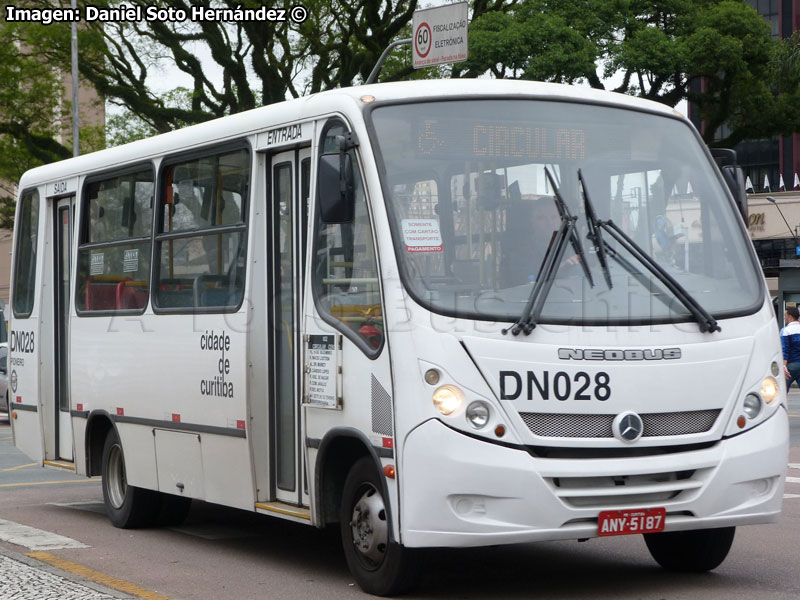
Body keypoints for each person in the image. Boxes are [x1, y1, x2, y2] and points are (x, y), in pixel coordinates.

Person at [502, 197, 579, 287]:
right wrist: (560, 268)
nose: (549, 222)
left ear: (561, 220)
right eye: (541, 218)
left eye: (554, 217)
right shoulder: (520, 254)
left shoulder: (573, 247)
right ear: (531, 221)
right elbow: (526, 280)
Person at [781, 306, 800, 388]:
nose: (784, 318)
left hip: (790, 365)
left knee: (782, 391)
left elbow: (785, 349)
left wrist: (783, 366)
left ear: (790, 317)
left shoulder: (786, 330)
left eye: (785, 315)